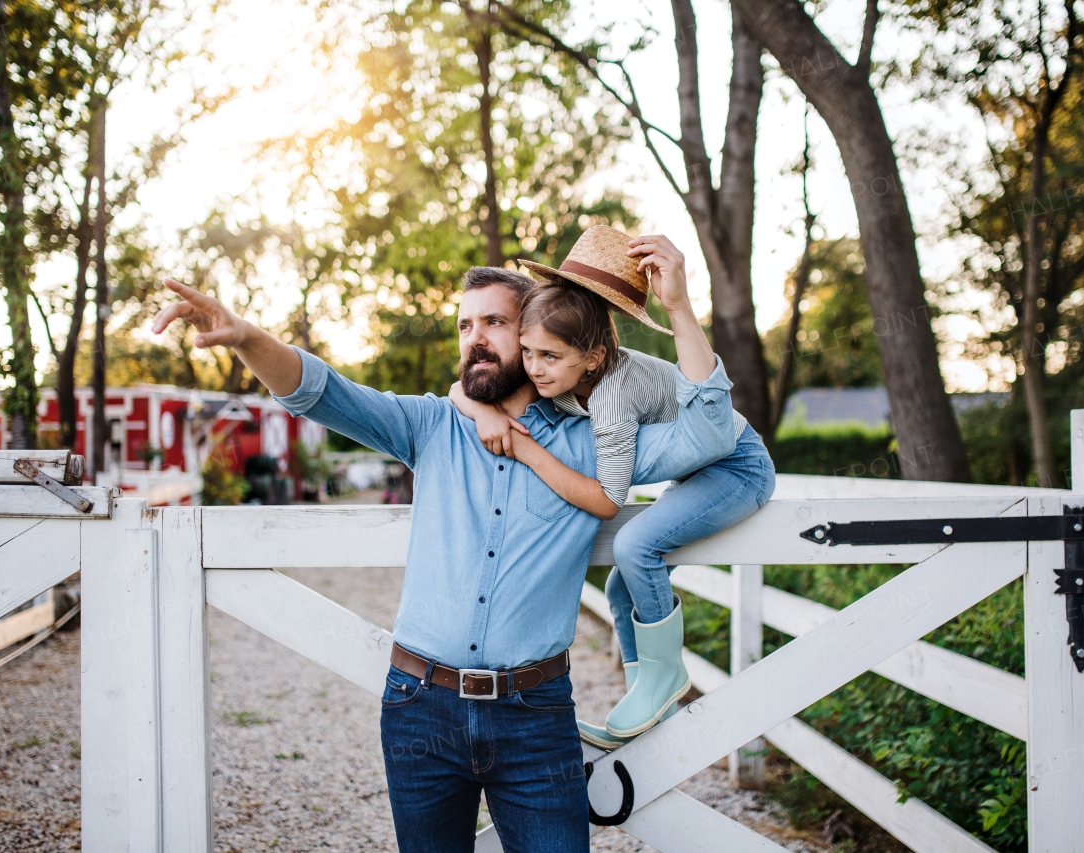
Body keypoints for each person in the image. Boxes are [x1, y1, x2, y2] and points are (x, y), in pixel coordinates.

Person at [150, 265, 739, 853]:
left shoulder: (598, 441)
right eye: (464, 325)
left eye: (494, 322)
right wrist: (247, 336)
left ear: (534, 331)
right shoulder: (432, 424)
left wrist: (681, 309)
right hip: (418, 708)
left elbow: (711, 432)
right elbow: (323, 393)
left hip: (535, 716)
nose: (474, 338)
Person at [450, 227, 775, 748]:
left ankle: (665, 679)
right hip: (696, 468)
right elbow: (459, 385)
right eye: (528, 353)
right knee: (623, 585)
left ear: (592, 356)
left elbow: (608, 499)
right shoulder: (556, 363)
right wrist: (481, 407)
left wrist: (526, 449)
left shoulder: (611, 397)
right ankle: (644, 696)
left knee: (635, 546)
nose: (533, 369)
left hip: (737, 468)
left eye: (545, 357)